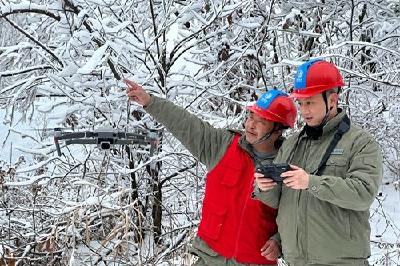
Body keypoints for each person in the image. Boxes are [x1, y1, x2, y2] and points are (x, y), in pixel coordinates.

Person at [125, 79, 297, 266]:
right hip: (210, 258)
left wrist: (279, 241)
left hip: (254, 261)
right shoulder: (223, 145)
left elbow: (297, 216)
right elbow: (186, 124)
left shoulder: (289, 167)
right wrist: (150, 102)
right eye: (250, 117)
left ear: (278, 130)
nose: (250, 125)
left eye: (261, 121)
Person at [253, 59, 383, 266]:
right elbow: (284, 203)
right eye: (301, 103)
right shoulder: (292, 144)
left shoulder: (360, 142)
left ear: (332, 100)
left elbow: (363, 194)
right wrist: (264, 187)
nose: (304, 111)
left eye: (310, 102)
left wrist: (310, 182)